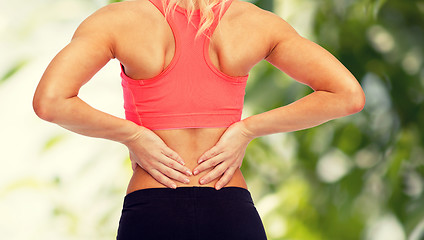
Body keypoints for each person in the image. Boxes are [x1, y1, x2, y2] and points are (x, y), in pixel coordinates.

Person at [32, 0, 366, 239]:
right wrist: (246, 130)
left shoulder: (119, 19)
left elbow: (50, 101)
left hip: (153, 207)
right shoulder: (254, 21)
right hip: (229, 205)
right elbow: (347, 95)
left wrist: (135, 136)